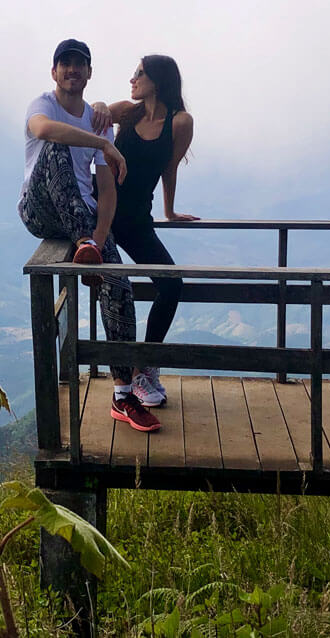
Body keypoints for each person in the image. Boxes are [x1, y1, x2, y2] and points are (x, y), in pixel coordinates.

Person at [19, 38, 161, 433]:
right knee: (56, 144)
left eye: (79, 64)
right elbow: (44, 130)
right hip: (41, 210)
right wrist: (101, 142)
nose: (71, 70)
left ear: (89, 73)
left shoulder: (98, 118)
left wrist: (99, 241)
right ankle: (85, 244)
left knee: (120, 287)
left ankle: (123, 395)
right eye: (64, 63)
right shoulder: (43, 105)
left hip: (84, 221)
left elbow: (107, 189)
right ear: (54, 72)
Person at [94, 54, 196, 409]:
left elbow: (170, 168)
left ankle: (144, 367)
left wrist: (169, 211)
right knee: (116, 291)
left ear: (158, 79)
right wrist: (101, 104)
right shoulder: (130, 112)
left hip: (136, 218)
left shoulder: (179, 122)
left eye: (139, 73)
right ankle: (125, 382)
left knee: (171, 283)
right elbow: (99, 110)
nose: (133, 79)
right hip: (103, 215)